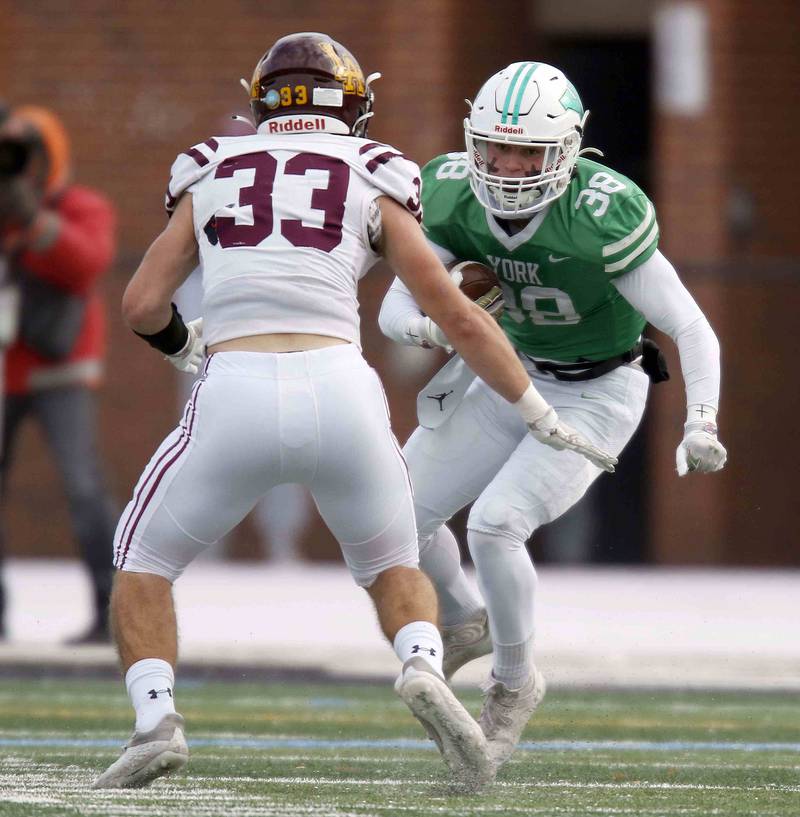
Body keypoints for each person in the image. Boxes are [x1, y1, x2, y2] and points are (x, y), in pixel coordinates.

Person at [92, 35, 615, 790]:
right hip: (341, 386)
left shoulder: (211, 166)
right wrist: (536, 410)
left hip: (236, 381)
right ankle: (423, 665)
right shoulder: (374, 172)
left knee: (142, 563)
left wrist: (183, 344)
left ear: (262, 99)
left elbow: (142, 304)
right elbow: (458, 316)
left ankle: (155, 721)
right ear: (355, 104)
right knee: (393, 562)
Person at [378, 61, 728, 772]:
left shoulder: (601, 212)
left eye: (526, 151)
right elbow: (395, 307)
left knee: (496, 523)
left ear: (566, 152)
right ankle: (466, 618)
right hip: (511, 373)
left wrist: (702, 420)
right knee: (394, 514)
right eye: (495, 147)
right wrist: (439, 325)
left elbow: (692, 327)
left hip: (600, 388)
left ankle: (512, 682)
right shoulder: (449, 191)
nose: (506, 167)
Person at [0, 103, 118, 643]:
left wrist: (34, 219)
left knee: (84, 488)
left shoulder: (81, 206)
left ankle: (111, 610)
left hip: (60, 370)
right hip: (4, 368)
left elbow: (86, 262)